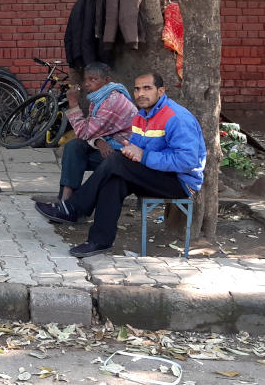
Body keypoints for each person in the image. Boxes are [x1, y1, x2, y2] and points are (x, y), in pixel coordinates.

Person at [34, 72, 206, 257]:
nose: (141, 93)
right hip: (154, 174)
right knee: (115, 177)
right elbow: (137, 151)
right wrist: (131, 152)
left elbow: (187, 162)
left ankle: (74, 207)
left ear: (161, 91)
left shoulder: (176, 117)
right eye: (137, 89)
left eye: (147, 88)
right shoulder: (141, 115)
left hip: (179, 182)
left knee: (116, 162)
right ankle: (99, 241)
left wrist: (144, 156)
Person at [33, 62, 136, 203]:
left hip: (124, 155)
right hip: (110, 147)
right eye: (86, 79)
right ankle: (65, 199)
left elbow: (84, 133)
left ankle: (67, 202)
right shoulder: (100, 97)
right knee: (74, 147)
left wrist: (73, 103)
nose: (87, 84)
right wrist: (99, 142)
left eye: (93, 79)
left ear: (106, 81)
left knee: (76, 153)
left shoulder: (112, 101)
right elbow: (89, 130)